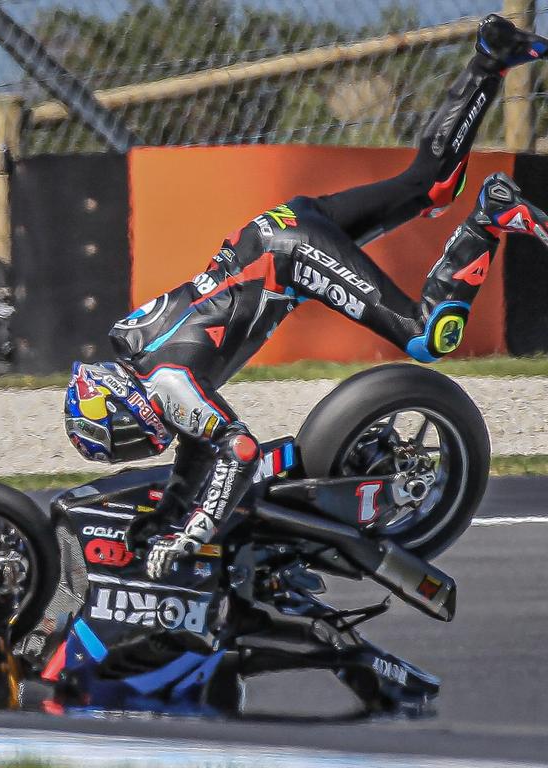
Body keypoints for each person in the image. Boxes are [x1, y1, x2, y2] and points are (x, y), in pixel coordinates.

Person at [64, 14, 548, 580]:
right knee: (432, 184)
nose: (131, 450)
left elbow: (238, 453)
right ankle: (491, 57)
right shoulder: (140, 354)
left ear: (124, 407)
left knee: (426, 334)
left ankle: (490, 215)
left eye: (120, 441)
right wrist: (168, 516)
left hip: (288, 256)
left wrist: (195, 530)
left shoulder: (165, 386)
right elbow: (196, 452)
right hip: (275, 233)